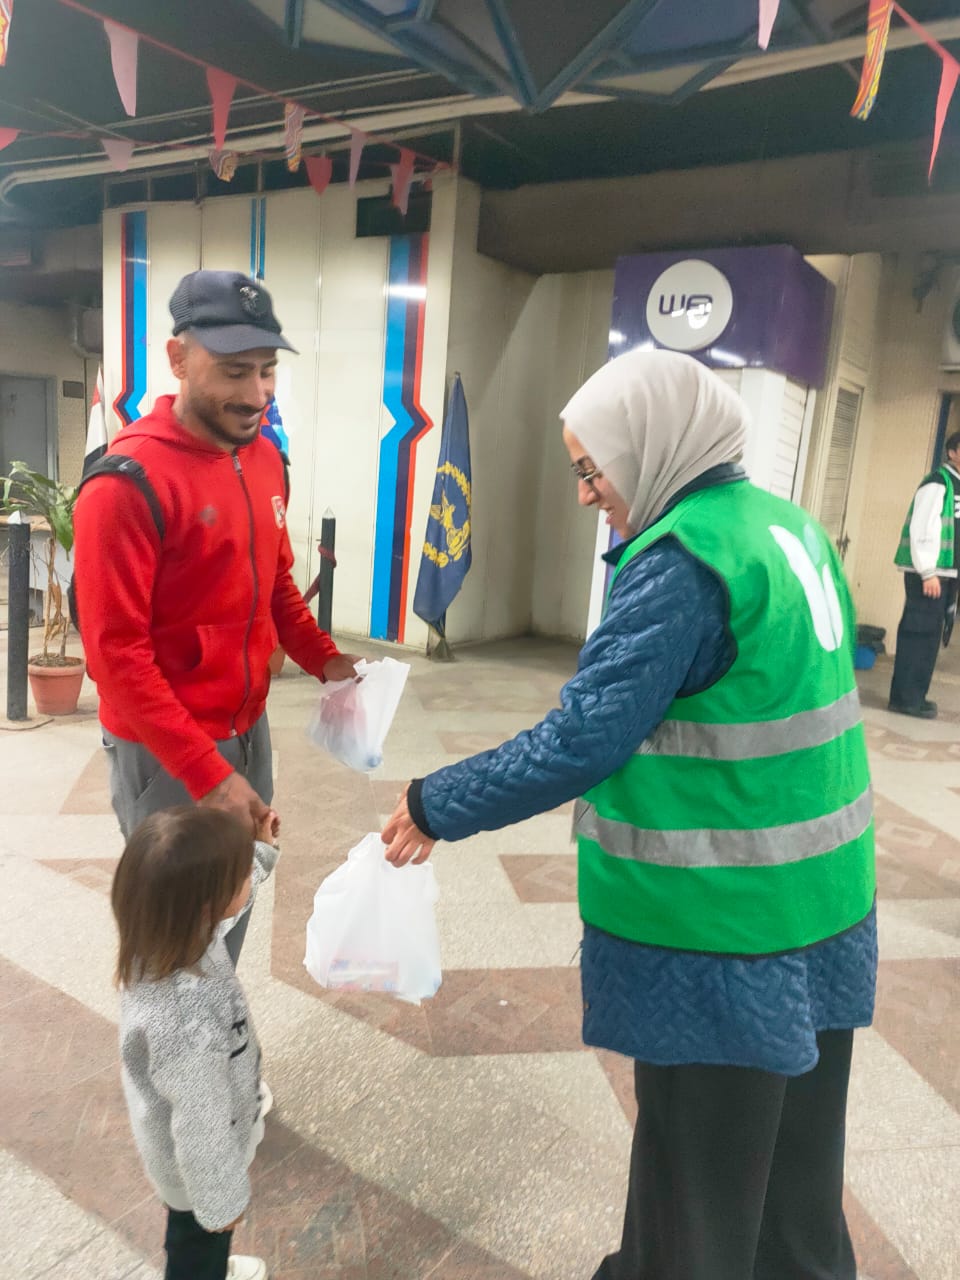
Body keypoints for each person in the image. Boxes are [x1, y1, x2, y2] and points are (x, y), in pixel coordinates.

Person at [382, 349, 877, 1280]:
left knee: (696, 1184)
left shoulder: (684, 563)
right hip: (825, 906)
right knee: (796, 1178)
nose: (586, 493)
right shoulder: (788, 528)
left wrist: (434, 802)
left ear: (652, 447)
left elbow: (582, 740)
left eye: (591, 468)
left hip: (724, 932)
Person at [73, 270, 359, 963]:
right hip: (164, 750)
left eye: (267, 370)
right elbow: (115, 660)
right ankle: (178, 1041)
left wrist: (328, 661)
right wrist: (208, 775)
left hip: (247, 731)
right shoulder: (125, 484)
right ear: (178, 359)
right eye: (235, 372)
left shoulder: (263, 460)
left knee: (231, 911)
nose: (257, 394)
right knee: (177, 942)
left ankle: (222, 1031)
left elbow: (276, 585)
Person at [112, 805, 280, 1280]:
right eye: (239, 873)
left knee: (195, 1240)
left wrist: (261, 852)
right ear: (206, 905)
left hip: (178, 1152)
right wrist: (219, 1203)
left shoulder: (167, 940)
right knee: (197, 1246)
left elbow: (229, 908)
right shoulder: (187, 1021)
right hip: (196, 1174)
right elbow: (201, 1125)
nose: (246, 879)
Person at [888, 431, 960, 718]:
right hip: (929, 575)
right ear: (952, 452)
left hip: (945, 575)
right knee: (918, 634)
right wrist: (928, 571)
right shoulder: (937, 483)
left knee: (930, 637)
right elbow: (922, 527)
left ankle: (916, 695)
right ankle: (905, 699)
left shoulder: (956, 484)